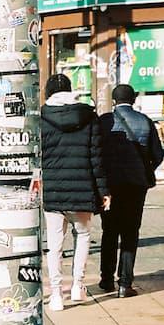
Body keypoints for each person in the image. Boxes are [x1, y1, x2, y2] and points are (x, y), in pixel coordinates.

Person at [39, 73, 109, 311]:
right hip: (82, 188)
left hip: (54, 190)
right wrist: (103, 190)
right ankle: (78, 286)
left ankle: (57, 295)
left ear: (49, 93)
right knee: (83, 236)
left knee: (55, 245)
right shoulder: (89, 116)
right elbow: (96, 158)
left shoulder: (42, 117)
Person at [97, 84, 164, 297]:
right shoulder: (145, 121)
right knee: (130, 232)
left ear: (113, 100)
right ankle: (125, 283)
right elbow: (158, 154)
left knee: (109, 231)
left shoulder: (104, 121)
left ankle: (106, 279)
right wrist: (145, 169)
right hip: (136, 185)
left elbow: (96, 152)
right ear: (133, 99)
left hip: (110, 185)